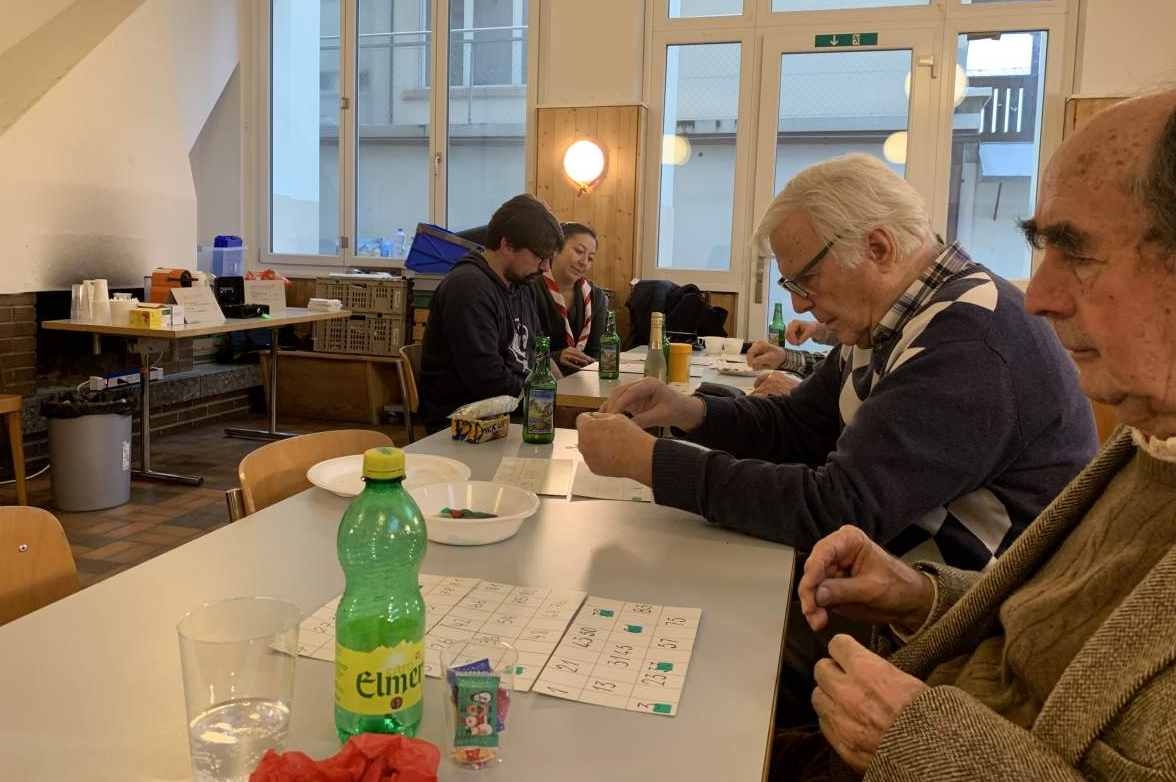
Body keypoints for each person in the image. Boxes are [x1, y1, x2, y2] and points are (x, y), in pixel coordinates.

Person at [576, 152, 1097, 723]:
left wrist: (653, 463)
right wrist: (691, 411)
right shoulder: (893, 317)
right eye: (790, 283)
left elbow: (836, 509)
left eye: (806, 279)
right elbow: (800, 425)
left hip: (963, 641)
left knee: (698, 643)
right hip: (893, 594)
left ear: (878, 248)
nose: (799, 302)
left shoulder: (969, 340)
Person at [776, 89, 1176, 781]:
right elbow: (1050, 622)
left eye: (1076, 252)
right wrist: (919, 595)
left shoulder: (973, 334)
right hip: (922, 684)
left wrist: (922, 741)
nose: (1040, 297)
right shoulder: (1150, 444)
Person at [418, 194, 564, 428]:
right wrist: (546, 398)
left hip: (513, 411)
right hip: (469, 424)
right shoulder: (468, 287)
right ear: (507, 245)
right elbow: (486, 380)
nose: (546, 268)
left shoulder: (521, 282)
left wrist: (563, 394)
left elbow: (539, 351)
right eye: (540, 257)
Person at [530, 222, 609, 375]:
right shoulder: (529, 289)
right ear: (555, 249)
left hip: (583, 377)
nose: (584, 262)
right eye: (579, 251)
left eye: (590, 258)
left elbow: (595, 353)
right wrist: (556, 357)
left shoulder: (596, 297)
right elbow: (523, 349)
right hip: (539, 377)